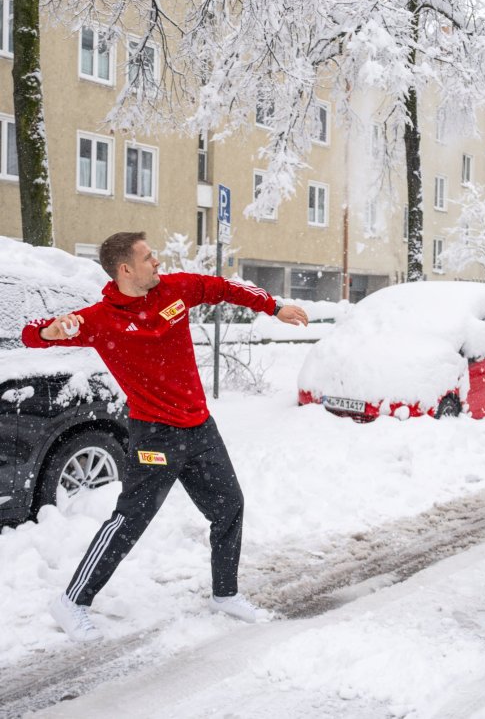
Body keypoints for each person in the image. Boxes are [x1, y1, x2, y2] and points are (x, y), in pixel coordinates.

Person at [21, 231, 308, 642]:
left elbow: (224, 288)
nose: (157, 263)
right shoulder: (102, 319)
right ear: (125, 269)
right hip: (155, 437)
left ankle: (225, 594)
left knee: (229, 505)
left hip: (200, 427)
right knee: (131, 519)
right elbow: (32, 332)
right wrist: (51, 332)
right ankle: (71, 601)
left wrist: (274, 306)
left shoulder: (175, 291)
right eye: (148, 257)